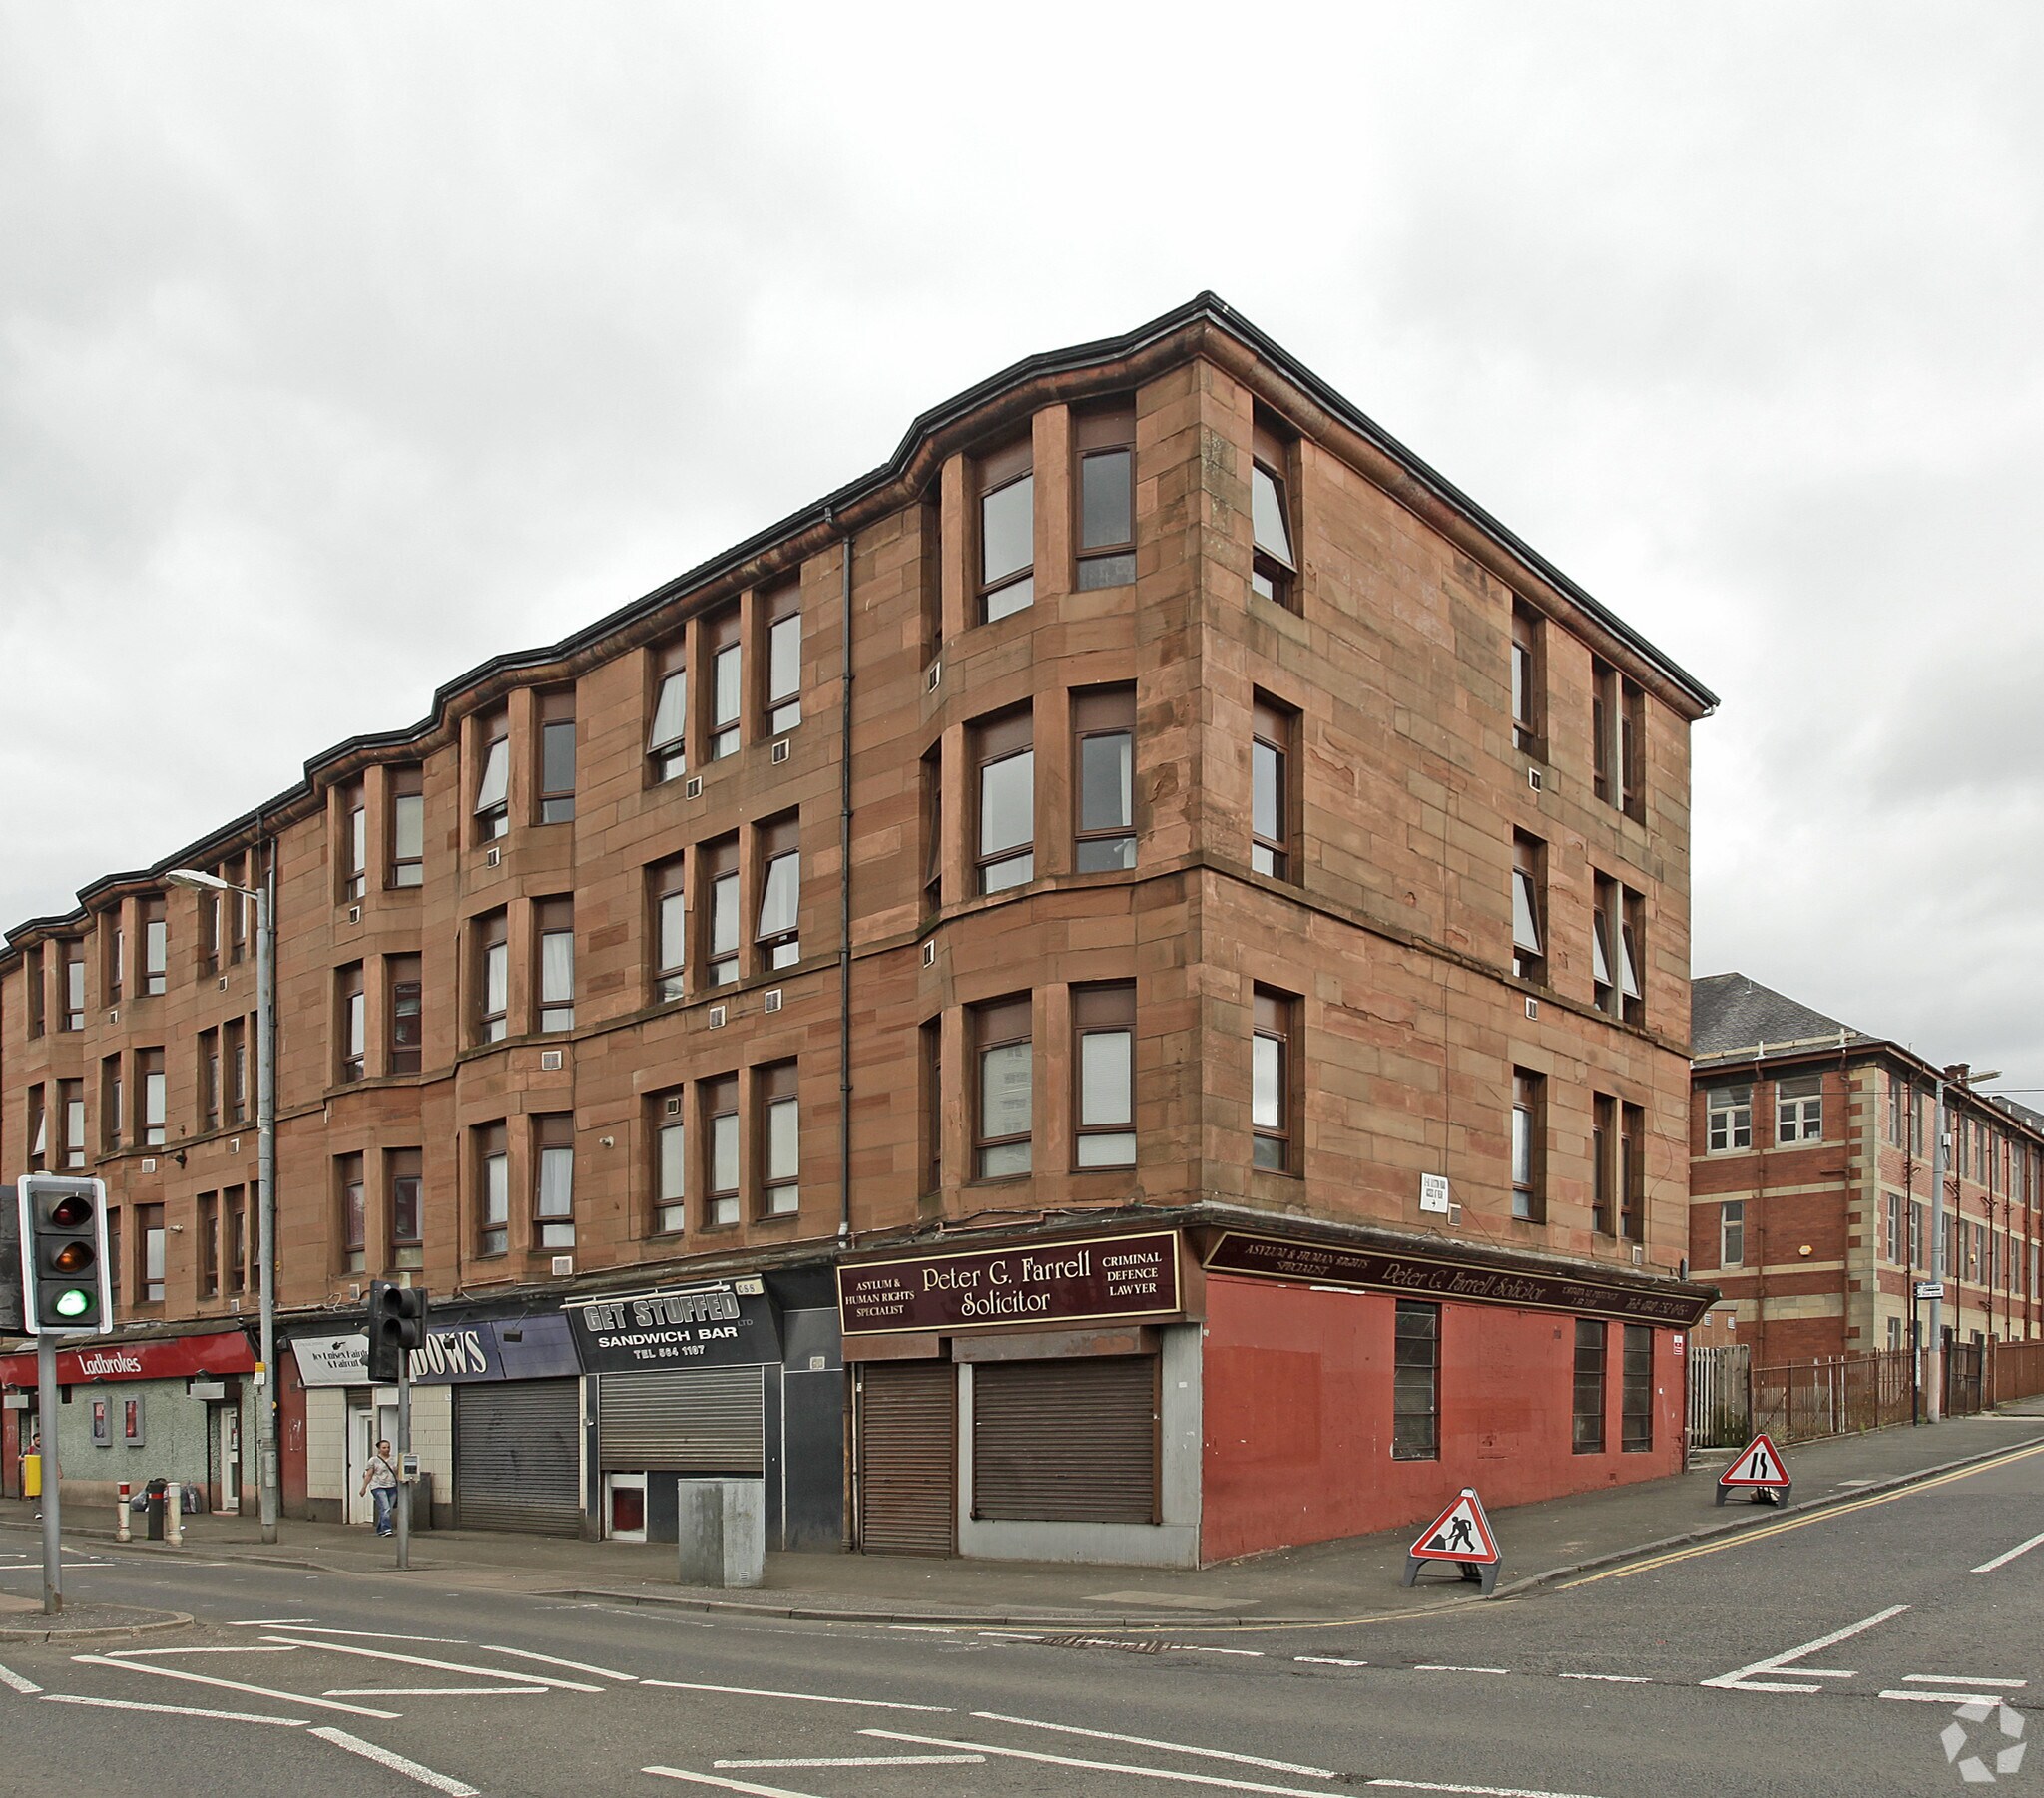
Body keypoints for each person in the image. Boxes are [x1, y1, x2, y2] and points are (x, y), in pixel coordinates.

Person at [359, 1438, 400, 1536]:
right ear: (379, 1448)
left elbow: (398, 1472)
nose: (387, 1449)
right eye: (384, 1447)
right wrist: (364, 1487)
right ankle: (387, 1529)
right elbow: (369, 1474)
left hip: (392, 1485)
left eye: (388, 1447)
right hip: (378, 1485)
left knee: (388, 1509)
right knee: (385, 1507)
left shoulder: (394, 1459)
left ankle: (380, 1529)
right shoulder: (374, 1460)